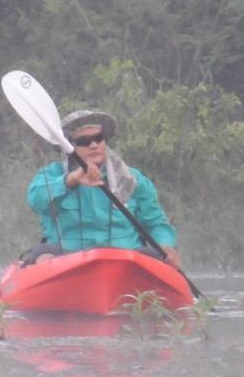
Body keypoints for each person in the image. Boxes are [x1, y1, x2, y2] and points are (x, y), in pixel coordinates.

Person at [23, 109, 181, 268]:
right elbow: (35, 200)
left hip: (127, 259)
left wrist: (165, 245)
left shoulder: (132, 179)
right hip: (67, 259)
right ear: (69, 147)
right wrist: (72, 180)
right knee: (41, 254)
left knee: (156, 256)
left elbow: (156, 223)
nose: (94, 145)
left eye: (98, 139)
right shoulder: (51, 174)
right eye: (84, 141)